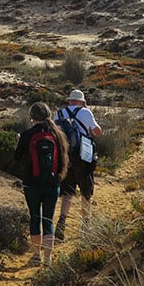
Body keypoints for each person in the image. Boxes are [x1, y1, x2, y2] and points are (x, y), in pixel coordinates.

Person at [13, 102, 69, 266]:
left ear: (32, 117)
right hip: (52, 183)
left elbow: (16, 158)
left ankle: (36, 255)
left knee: (35, 218)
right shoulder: (58, 135)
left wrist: (20, 142)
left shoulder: (27, 135)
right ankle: (48, 258)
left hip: (31, 183)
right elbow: (63, 161)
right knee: (48, 220)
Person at [54, 89, 102, 240]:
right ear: (82, 101)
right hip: (83, 158)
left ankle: (62, 221)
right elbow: (97, 132)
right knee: (86, 193)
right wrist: (87, 111)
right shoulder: (85, 112)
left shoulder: (59, 114)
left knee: (67, 192)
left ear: (69, 100)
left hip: (66, 157)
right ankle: (85, 226)